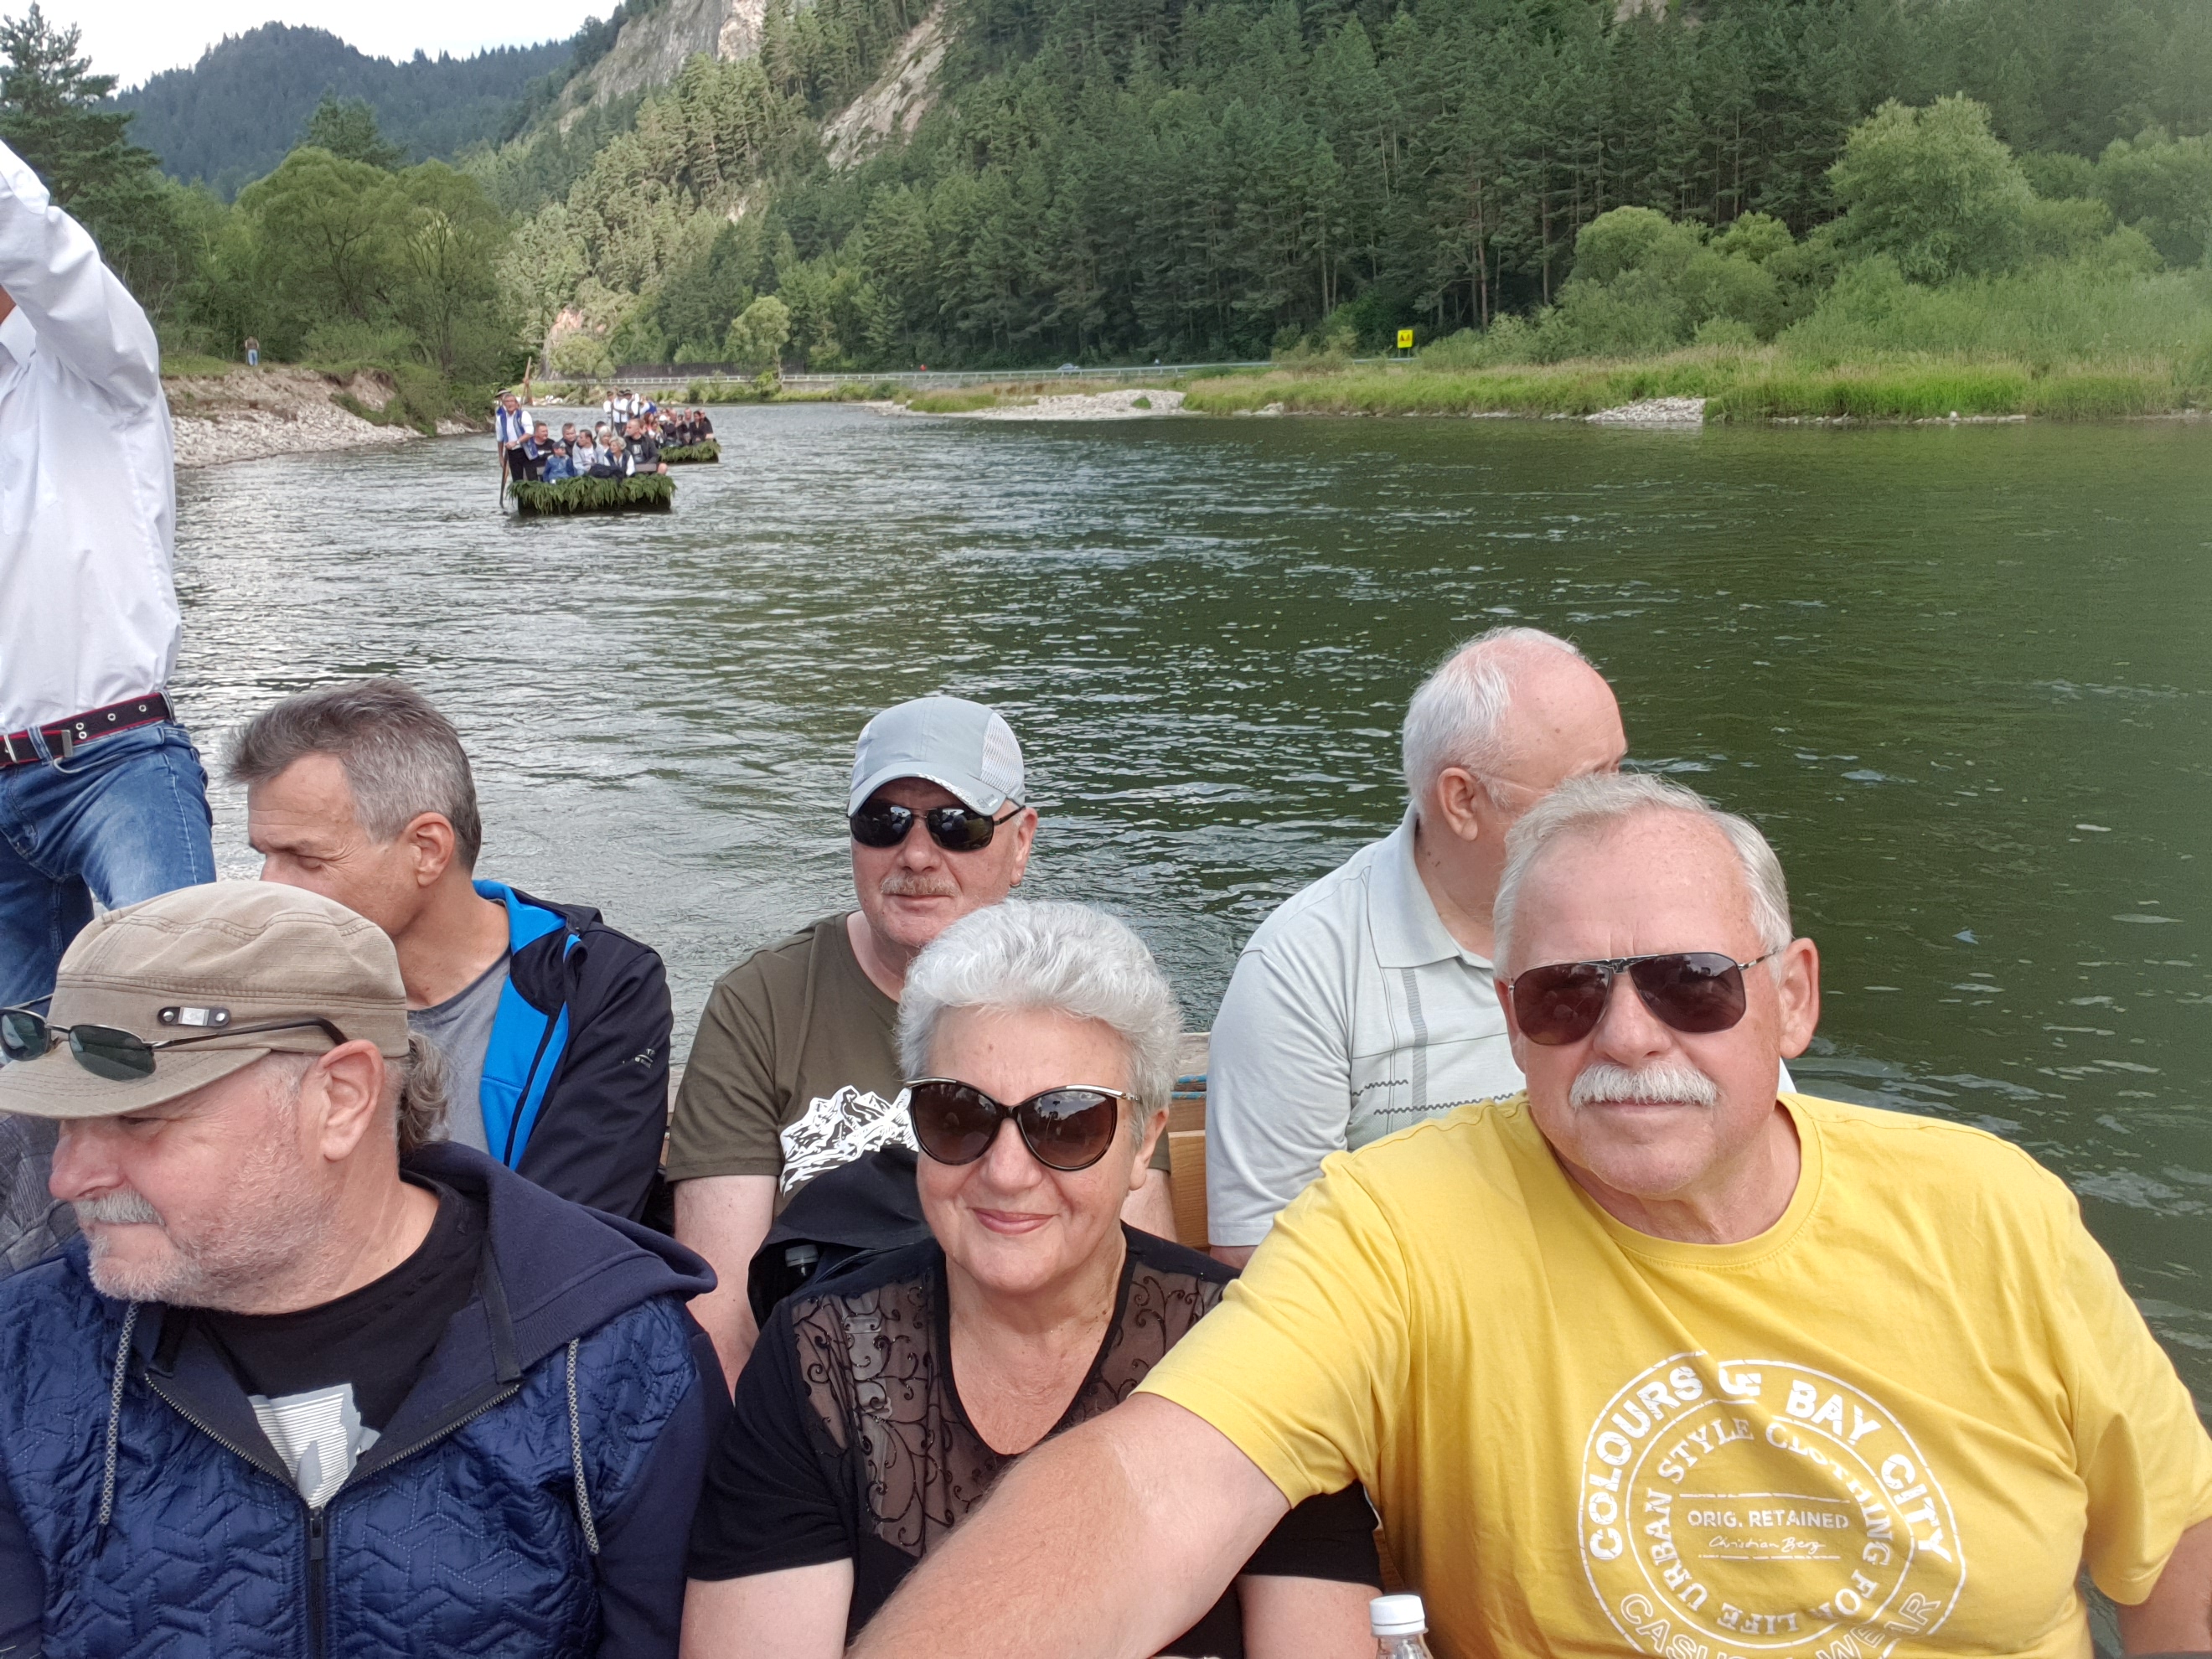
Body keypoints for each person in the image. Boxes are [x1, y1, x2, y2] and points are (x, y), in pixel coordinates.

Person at [848, 773, 2212, 1659]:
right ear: (1511, 1022)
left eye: (1691, 982)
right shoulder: (1399, 1228)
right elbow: (1156, 1490)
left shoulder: (1992, 1214)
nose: (1629, 1036)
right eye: (1568, 994)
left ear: (1791, 996)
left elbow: (2172, 1564)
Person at [0, 881, 725, 1656]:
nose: (67, 1179)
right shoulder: (25, 1354)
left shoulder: (613, 1361)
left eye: (140, 1120)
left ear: (341, 1099)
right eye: (66, 1123)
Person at [681, 901, 1380, 1658]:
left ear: (1144, 1144)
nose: (1007, 1173)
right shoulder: (821, 1361)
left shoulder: (1255, 1355)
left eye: (1068, 1123)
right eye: (958, 1115)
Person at [668, 695, 1175, 1388]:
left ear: (1021, 841)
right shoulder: (760, 1005)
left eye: (956, 826)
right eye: (883, 822)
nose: (915, 855)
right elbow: (721, 1321)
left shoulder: (1093, 1000)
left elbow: (1147, 1295)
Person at [1204, 625, 1625, 1265]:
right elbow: (1270, 1264)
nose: (1620, 812)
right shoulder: (1305, 968)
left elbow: (1758, 1136)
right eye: (1588, 786)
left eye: (1621, 769)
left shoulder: (1657, 915)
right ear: (1462, 800)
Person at [0, 137, 216, 1271]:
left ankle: (219, 1271)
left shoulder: (99, 365)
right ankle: (59, 1298)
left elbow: (40, 243)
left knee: (176, 1034)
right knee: (23, 1078)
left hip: (114, 758)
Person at [226, 679, 674, 1222]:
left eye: (306, 860)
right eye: (265, 855)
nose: (269, 887)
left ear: (427, 850)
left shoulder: (595, 985)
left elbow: (572, 1234)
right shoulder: (257, 983)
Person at [495, 390, 535, 481]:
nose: (510, 404)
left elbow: (529, 433)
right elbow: (500, 439)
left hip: (526, 450)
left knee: (531, 478)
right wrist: (501, 457)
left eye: (512, 401)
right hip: (512, 453)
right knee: (517, 480)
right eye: (507, 402)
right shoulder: (500, 419)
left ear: (516, 403)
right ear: (504, 404)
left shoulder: (523, 415)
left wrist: (516, 442)